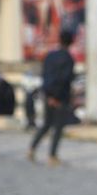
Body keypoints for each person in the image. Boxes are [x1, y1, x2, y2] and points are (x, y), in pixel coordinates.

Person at [28, 30, 75, 166]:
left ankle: (32, 148)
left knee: (46, 124)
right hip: (60, 97)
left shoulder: (50, 56)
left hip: (47, 94)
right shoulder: (68, 59)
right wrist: (56, 97)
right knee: (58, 127)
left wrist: (48, 95)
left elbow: (46, 76)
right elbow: (64, 79)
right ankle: (52, 155)